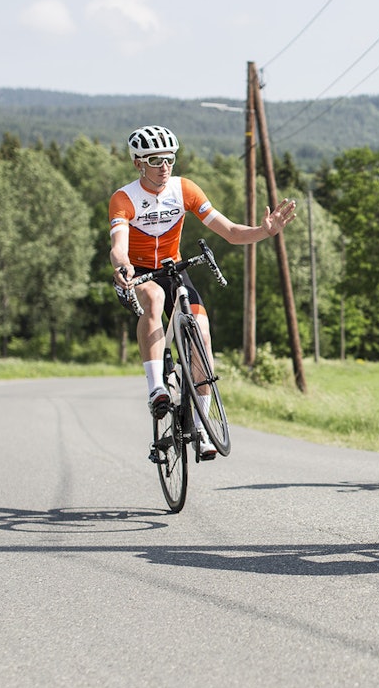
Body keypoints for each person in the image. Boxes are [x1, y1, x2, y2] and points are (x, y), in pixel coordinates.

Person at [110, 124, 297, 458]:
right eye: (155, 160)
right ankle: (156, 388)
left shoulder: (184, 189)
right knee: (154, 298)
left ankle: (202, 425)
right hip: (138, 273)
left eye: (169, 158)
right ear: (138, 163)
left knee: (203, 333)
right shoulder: (124, 198)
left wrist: (264, 231)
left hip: (172, 268)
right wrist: (122, 266)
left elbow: (230, 232)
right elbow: (118, 246)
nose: (164, 166)